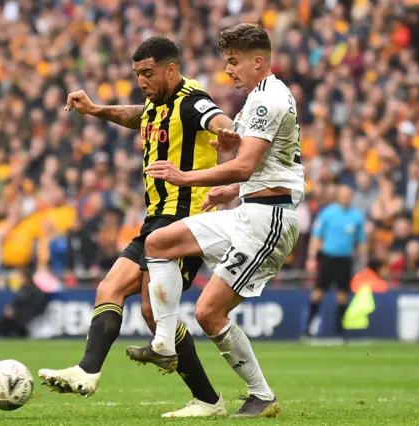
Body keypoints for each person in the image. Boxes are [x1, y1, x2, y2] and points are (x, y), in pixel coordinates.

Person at [38, 36, 234, 418]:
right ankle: (87, 371)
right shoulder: (155, 104)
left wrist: (227, 132)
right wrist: (95, 109)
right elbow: (137, 116)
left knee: (150, 308)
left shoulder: (192, 99)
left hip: (186, 222)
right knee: (109, 288)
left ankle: (209, 401)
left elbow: (215, 117)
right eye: (137, 74)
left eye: (148, 73)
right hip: (155, 220)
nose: (142, 81)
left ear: (170, 69)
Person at [125, 24, 304, 418]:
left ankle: (262, 395)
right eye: (227, 62)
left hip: (269, 221)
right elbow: (264, 166)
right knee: (159, 243)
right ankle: (164, 344)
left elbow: (243, 166)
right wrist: (233, 191)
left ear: (258, 62)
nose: (229, 71)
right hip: (251, 210)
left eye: (234, 62)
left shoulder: (266, 100)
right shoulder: (259, 97)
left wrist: (186, 176)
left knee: (208, 313)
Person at [305, 184, 367, 339]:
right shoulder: (328, 213)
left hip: (345, 259)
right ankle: (310, 327)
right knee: (318, 293)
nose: (346, 197)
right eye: (343, 194)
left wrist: (363, 263)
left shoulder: (357, 216)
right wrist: (312, 258)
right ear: (338, 196)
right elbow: (316, 236)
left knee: (343, 295)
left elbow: (361, 242)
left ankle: (339, 331)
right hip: (328, 258)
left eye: (348, 194)